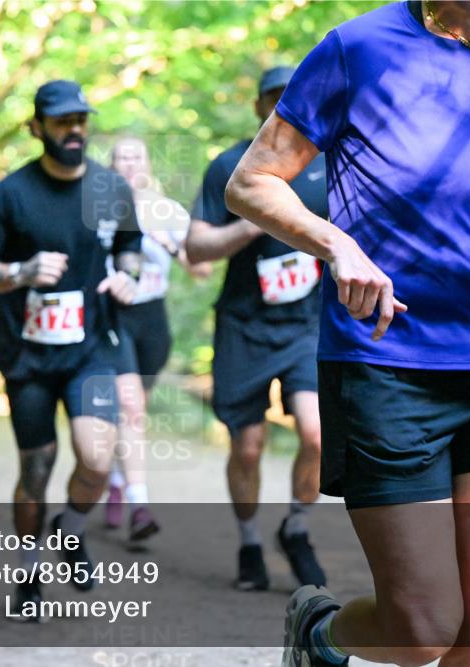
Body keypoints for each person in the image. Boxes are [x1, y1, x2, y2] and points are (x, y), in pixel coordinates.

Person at [224, 2, 470, 665]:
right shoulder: (356, 48)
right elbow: (250, 183)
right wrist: (335, 244)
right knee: (423, 624)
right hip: (387, 358)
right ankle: (319, 635)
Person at [0, 80, 142, 620]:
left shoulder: (111, 188)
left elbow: (131, 248)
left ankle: (72, 528)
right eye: (62, 122)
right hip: (29, 359)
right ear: (36, 128)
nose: (75, 130)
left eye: (81, 120)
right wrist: (20, 272)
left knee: (96, 454)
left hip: (90, 349)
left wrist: (127, 278)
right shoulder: (8, 195)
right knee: (36, 470)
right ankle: (28, 575)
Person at [186, 66, 328, 592]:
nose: (280, 107)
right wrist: (255, 218)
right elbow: (196, 247)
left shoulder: (326, 162)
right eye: (271, 98)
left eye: (289, 98)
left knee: (317, 433)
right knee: (247, 447)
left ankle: (296, 527)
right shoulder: (228, 166)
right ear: (257, 107)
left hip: (307, 326)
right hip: (244, 326)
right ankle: (249, 542)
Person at [103, 136, 211, 543]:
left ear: (148, 164)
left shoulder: (167, 211)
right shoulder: (101, 209)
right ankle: (139, 504)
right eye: (121, 158)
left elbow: (200, 270)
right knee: (129, 407)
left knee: (134, 409)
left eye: (136, 157)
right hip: (115, 315)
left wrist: (170, 243)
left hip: (153, 318)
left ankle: (116, 478)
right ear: (112, 166)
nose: (129, 164)